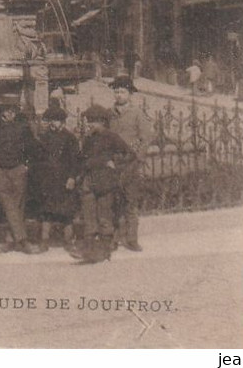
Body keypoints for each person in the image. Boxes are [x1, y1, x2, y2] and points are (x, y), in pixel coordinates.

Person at [69, 104, 135, 264]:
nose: (90, 124)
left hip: (105, 182)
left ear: (103, 122)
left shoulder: (112, 137)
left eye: (93, 121)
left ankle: (105, 249)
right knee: (89, 217)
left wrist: (114, 163)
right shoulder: (88, 139)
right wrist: (74, 176)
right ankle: (88, 250)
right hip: (88, 181)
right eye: (89, 121)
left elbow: (129, 155)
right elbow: (80, 159)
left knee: (104, 217)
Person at [108, 74, 156, 251]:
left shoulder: (137, 113)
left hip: (132, 164)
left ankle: (131, 239)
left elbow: (146, 138)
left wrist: (138, 158)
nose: (119, 95)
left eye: (122, 92)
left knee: (130, 203)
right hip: (114, 164)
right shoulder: (110, 114)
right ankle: (113, 238)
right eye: (116, 92)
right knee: (114, 202)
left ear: (130, 94)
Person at [29, 98, 81, 251]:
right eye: (50, 120)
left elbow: (75, 161)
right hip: (48, 180)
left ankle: (68, 241)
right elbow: (37, 159)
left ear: (63, 122)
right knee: (46, 212)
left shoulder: (70, 139)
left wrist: (72, 177)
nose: (53, 123)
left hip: (64, 179)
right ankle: (44, 240)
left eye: (56, 120)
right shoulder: (44, 138)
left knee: (67, 213)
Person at [0, 99, 38, 254]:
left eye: (12, 110)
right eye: (6, 110)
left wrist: (26, 165)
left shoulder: (23, 128)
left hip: (18, 169)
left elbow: (33, 147)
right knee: (9, 205)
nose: (9, 113)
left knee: (17, 205)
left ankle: (10, 240)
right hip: (1, 170)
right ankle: (23, 241)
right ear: (1, 112)